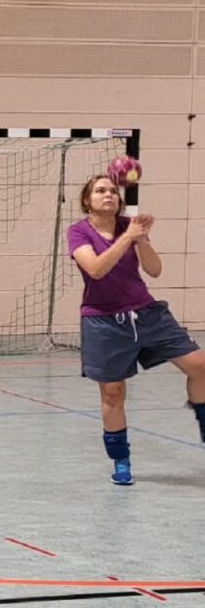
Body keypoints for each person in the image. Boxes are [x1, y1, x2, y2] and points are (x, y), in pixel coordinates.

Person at [67, 175, 205, 485]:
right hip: (103, 321)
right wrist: (127, 237)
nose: (109, 195)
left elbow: (154, 270)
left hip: (146, 313)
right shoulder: (78, 231)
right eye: (100, 191)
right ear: (87, 200)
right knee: (113, 392)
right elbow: (96, 270)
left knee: (200, 366)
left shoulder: (129, 227)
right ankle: (120, 460)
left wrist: (141, 238)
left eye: (113, 191)